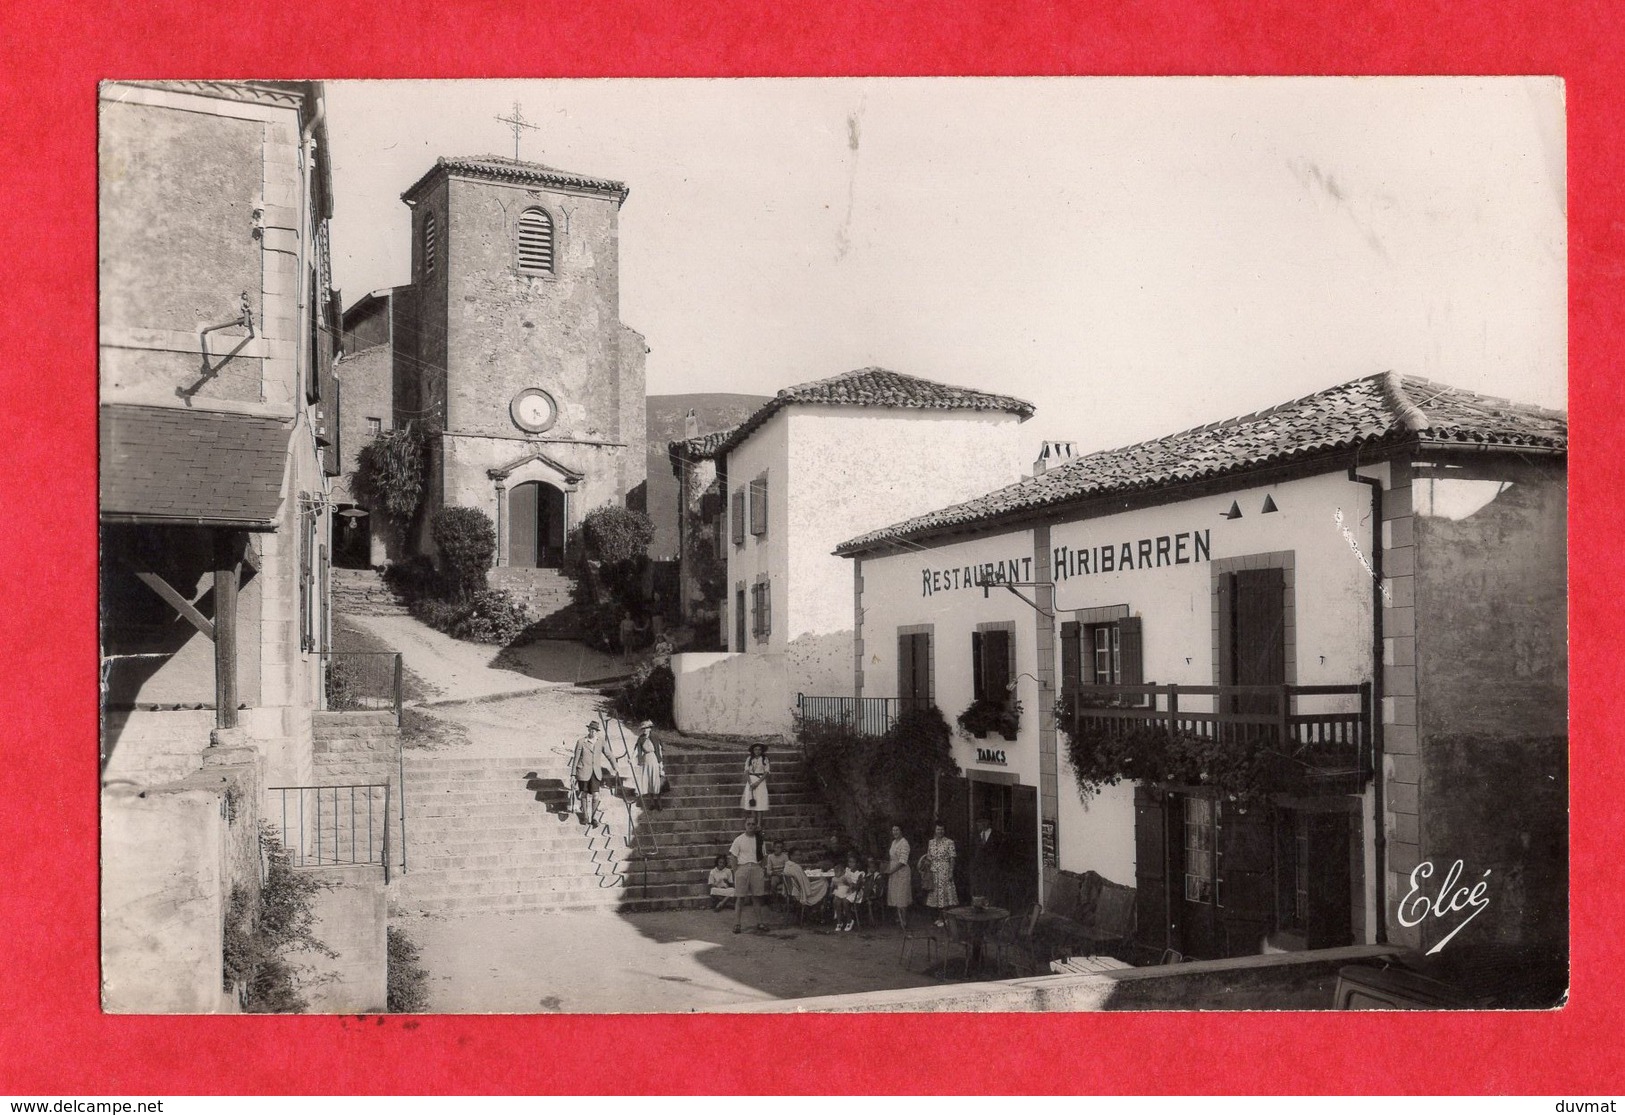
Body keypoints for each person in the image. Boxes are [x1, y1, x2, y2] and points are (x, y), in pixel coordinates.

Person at [568, 720, 617, 828]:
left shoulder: (601, 741)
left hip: (595, 773)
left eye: (595, 730)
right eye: (591, 729)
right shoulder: (581, 741)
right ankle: (585, 817)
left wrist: (615, 766)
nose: (593, 732)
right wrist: (572, 774)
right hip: (583, 771)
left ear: (597, 731)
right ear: (588, 730)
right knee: (584, 794)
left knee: (596, 795)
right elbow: (576, 758)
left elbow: (608, 754)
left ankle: (594, 817)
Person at [728, 817, 769, 933]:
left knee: (756, 897)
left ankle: (760, 923)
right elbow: (733, 857)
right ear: (745, 825)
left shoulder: (760, 840)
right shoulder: (739, 840)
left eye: (753, 824)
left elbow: (765, 856)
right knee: (740, 898)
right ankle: (737, 924)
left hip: (756, 868)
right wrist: (736, 871)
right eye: (748, 824)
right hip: (742, 868)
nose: (751, 826)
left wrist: (762, 869)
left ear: (756, 825)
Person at [922, 822, 959, 927]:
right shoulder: (931, 842)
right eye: (938, 829)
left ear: (944, 830)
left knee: (945, 894)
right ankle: (940, 917)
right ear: (935, 830)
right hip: (934, 871)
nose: (940, 831)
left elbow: (952, 858)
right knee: (937, 895)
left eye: (942, 829)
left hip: (945, 870)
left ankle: (945, 918)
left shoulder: (949, 842)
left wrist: (951, 872)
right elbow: (929, 857)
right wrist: (926, 864)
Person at [968, 814, 1006, 905]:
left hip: (993, 871)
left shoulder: (998, 836)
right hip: (979, 872)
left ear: (987, 822)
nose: (979, 824)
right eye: (978, 822)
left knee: (992, 894)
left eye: (981, 822)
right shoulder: (976, 837)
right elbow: (972, 854)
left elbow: (1002, 854)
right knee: (980, 894)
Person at [632, 719, 666, 810]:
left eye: (647, 728)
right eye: (643, 728)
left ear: (650, 729)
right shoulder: (641, 738)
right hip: (646, 761)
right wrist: (631, 758)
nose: (645, 730)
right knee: (648, 782)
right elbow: (637, 749)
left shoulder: (655, 737)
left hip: (654, 760)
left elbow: (659, 751)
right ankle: (651, 803)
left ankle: (659, 803)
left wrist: (660, 765)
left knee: (656, 782)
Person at [886, 824, 912, 932]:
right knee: (895, 896)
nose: (895, 832)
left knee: (902, 897)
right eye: (893, 830)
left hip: (901, 872)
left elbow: (902, 861)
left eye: (897, 830)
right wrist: (888, 869)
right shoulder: (894, 842)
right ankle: (899, 919)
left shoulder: (904, 843)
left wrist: (891, 871)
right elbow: (892, 858)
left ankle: (904, 922)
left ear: (901, 831)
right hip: (893, 872)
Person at [832, 853, 863, 932]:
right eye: (849, 862)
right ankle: (839, 922)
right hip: (845, 890)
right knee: (836, 900)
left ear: (857, 863)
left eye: (853, 862)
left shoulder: (860, 873)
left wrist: (849, 885)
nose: (851, 864)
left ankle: (849, 920)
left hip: (855, 892)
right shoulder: (846, 870)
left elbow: (858, 886)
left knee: (845, 901)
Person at [740, 744, 771, 813]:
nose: (757, 751)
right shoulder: (749, 759)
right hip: (751, 780)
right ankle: (754, 820)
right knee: (752, 800)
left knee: (760, 801)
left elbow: (766, 772)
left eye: (759, 749)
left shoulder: (764, 759)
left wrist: (758, 782)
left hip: (760, 780)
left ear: (762, 751)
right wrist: (750, 783)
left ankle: (759, 823)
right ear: (753, 751)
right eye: (755, 749)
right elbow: (746, 771)